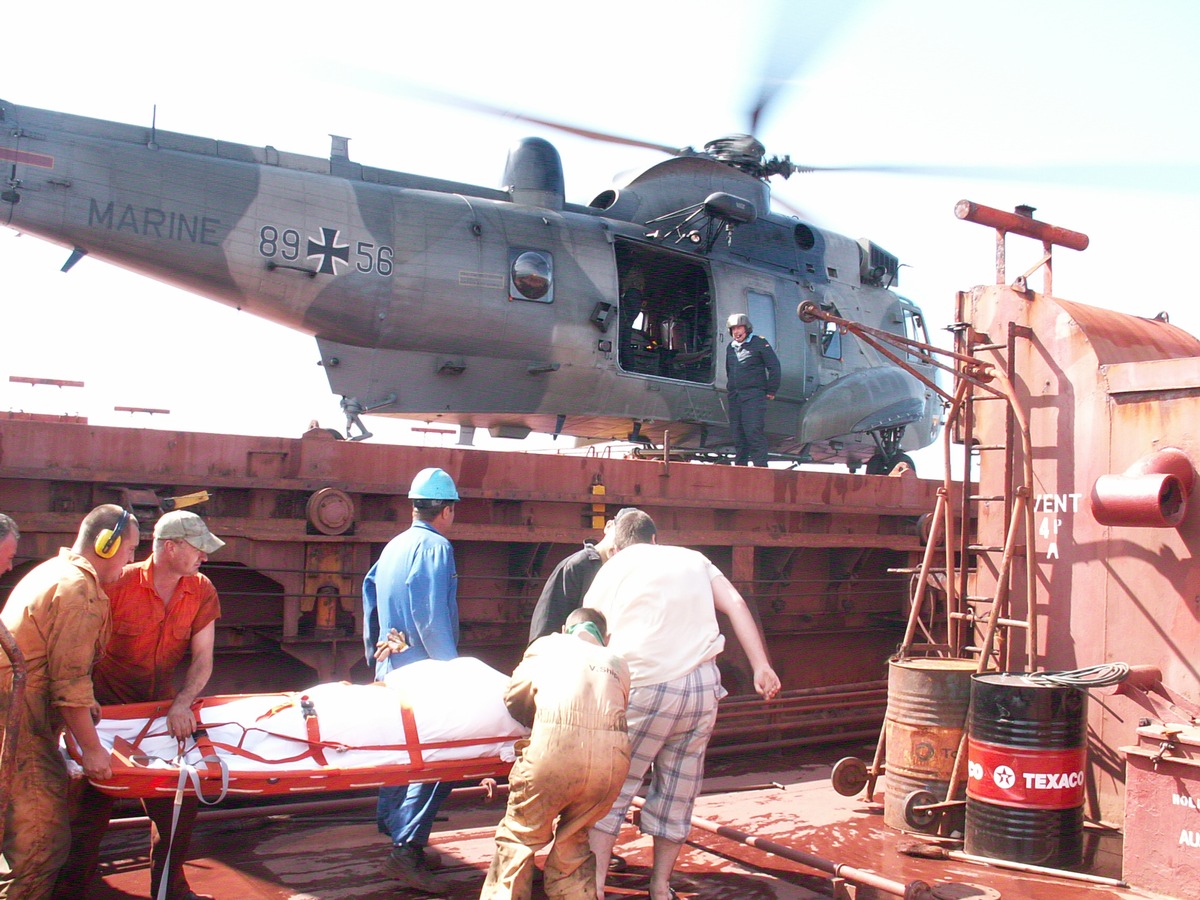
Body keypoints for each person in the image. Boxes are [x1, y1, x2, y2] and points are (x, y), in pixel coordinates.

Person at [581, 509, 781, 900]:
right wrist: (762, 666)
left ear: (619, 545)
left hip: (647, 686)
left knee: (612, 792)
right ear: (655, 538)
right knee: (678, 791)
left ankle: (596, 889)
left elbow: (590, 632)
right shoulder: (693, 558)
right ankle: (660, 888)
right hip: (703, 687)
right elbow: (737, 604)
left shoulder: (614, 567)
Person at [54, 511, 225, 900]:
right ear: (171, 547)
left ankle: (170, 890)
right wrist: (85, 707)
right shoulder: (116, 584)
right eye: (199, 548)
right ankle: (72, 891)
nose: (205, 557)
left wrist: (182, 703)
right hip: (107, 717)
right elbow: (77, 651)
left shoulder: (201, 589)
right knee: (88, 816)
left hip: (160, 714)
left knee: (178, 807)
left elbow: (202, 658)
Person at [0, 504, 138, 899]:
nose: (130, 560)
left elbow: (48, 658)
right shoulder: (80, 592)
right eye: (129, 550)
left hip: (14, 718)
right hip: (23, 730)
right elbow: (69, 681)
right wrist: (93, 752)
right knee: (41, 849)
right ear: (106, 545)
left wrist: (86, 704)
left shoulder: (51, 572)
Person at [480, 608, 631, 899]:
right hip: (610, 765)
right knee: (575, 840)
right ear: (607, 637)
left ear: (564, 628)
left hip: (553, 757)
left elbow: (516, 697)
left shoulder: (547, 646)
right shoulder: (619, 662)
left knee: (519, 838)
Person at [362, 466, 461, 894]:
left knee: (401, 756)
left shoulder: (393, 546)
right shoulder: (437, 548)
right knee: (441, 759)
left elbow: (369, 599)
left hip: (392, 668)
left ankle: (404, 837)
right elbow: (430, 615)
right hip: (426, 675)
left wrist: (376, 655)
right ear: (448, 510)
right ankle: (405, 850)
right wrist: (452, 670)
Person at [526, 508, 634, 644]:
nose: (621, 543)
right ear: (608, 526)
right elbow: (546, 626)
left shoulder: (629, 572)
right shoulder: (575, 567)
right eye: (621, 533)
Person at [724, 313, 781, 467]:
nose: (736, 331)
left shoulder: (759, 343)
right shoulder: (731, 348)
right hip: (735, 397)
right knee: (738, 435)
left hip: (753, 396)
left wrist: (771, 390)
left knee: (753, 433)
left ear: (746, 329)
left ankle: (760, 469)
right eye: (733, 328)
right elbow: (729, 371)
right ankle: (740, 469)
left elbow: (774, 367)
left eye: (739, 327)